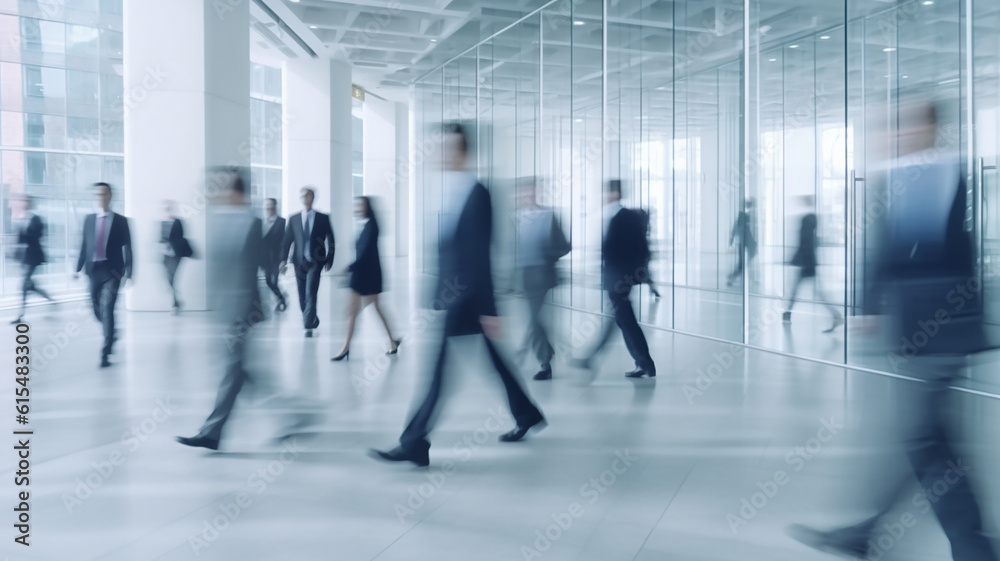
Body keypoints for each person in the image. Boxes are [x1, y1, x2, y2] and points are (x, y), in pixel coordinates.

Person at [788, 100, 998, 561]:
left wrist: (874, 303)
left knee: (922, 438)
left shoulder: (937, 173)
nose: (899, 134)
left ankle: (968, 546)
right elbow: (888, 248)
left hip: (940, 328)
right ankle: (894, 535)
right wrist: (868, 305)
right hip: (924, 328)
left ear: (930, 129)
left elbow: (911, 250)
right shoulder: (909, 175)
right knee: (929, 438)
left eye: (908, 126)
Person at [369, 122, 546, 467]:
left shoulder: (477, 192)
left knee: (438, 370)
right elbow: (451, 249)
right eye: (438, 148)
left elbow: (481, 253)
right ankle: (525, 414)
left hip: (467, 298)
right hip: (456, 297)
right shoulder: (452, 190)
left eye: (447, 148)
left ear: (462, 152)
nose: (440, 154)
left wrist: (490, 309)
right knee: (492, 362)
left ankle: (415, 441)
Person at [176, 169, 313, 451]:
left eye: (223, 188)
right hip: (226, 309)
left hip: (242, 310)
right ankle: (294, 416)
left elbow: (260, 262)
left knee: (234, 370)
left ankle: (212, 432)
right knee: (242, 373)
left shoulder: (251, 222)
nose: (217, 193)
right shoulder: (219, 221)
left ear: (236, 192)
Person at [574, 180, 656, 378]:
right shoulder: (612, 216)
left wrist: (632, 275)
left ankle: (594, 357)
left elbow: (640, 248)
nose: (603, 196)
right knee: (621, 319)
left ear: (614, 194)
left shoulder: (625, 217)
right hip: (614, 277)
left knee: (623, 319)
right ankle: (643, 363)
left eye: (607, 192)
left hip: (620, 278)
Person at [331, 196, 401, 361]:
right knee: (367, 310)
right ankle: (391, 342)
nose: (357, 209)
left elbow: (365, 254)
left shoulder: (371, 226)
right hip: (366, 275)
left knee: (353, 312)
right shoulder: (368, 225)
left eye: (360, 206)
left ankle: (346, 348)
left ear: (367, 207)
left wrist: (349, 268)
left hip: (364, 276)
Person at [514, 177, 570, 380]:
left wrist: (547, 254)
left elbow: (565, 245)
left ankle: (545, 362)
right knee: (534, 319)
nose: (527, 195)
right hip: (525, 275)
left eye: (531, 191)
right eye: (524, 192)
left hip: (543, 275)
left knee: (534, 319)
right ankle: (544, 353)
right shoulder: (517, 218)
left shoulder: (549, 215)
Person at [74, 182, 133, 368]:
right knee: (96, 310)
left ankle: (105, 352)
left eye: (104, 194)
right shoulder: (89, 219)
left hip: (113, 272)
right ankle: (112, 331)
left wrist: (130, 271)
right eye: (98, 194)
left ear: (110, 196)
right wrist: (77, 268)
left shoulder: (121, 221)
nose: (101, 197)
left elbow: (129, 248)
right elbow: (85, 245)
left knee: (107, 309)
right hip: (93, 271)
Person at [280, 187, 335, 337]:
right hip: (299, 262)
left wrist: (330, 259)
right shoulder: (294, 218)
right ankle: (312, 318)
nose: (305, 198)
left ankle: (307, 322)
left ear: (313, 198)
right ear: (301, 199)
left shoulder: (323, 218)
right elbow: (287, 241)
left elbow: (331, 240)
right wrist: (283, 260)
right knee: (301, 295)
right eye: (303, 196)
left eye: (308, 195)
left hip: (316, 262)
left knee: (311, 292)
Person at [783, 195, 843, 332]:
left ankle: (788, 313)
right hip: (809, 261)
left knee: (802, 290)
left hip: (807, 262)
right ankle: (788, 312)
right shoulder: (812, 219)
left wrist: (799, 260)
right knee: (808, 291)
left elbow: (805, 242)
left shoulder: (807, 220)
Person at [10, 195, 53, 324]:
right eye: (23, 202)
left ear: (30, 204)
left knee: (24, 285)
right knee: (29, 285)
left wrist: (25, 238)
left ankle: (20, 315)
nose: (24, 204)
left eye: (26, 202)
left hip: (34, 257)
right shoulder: (22, 218)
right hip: (24, 257)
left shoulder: (37, 219)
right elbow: (19, 238)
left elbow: (38, 236)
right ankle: (48, 297)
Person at [160, 200, 193, 314]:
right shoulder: (162, 222)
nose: (167, 208)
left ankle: (175, 304)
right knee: (168, 279)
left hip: (176, 254)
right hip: (165, 254)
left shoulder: (178, 222)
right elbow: (160, 238)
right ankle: (177, 302)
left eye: (168, 207)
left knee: (172, 278)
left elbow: (181, 236)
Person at [261, 198, 287, 312]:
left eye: (270, 205)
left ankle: (282, 300)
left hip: (276, 257)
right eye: (267, 205)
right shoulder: (262, 222)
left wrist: (283, 259)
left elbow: (284, 242)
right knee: (268, 281)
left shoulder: (282, 222)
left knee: (274, 281)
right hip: (266, 258)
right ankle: (281, 298)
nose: (268, 207)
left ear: (275, 206)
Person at [726, 199, 757, 287]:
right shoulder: (745, 217)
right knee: (742, 264)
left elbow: (735, 230)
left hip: (744, 243)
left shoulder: (743, 216)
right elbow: (742, 231)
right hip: (744, 243)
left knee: (743, 263)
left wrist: (731, 241)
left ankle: (734, 276)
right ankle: (732, 277)